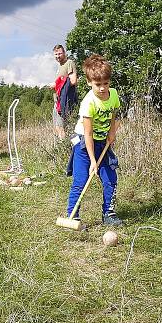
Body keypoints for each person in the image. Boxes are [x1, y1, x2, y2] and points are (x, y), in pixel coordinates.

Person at [66, 54, 122, 226]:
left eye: (106, 83)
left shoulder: (113, 95)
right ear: (89, 82)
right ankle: (72, 215)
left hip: (103, 142)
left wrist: (112, 132)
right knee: (81, 180)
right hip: (84, 144)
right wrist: (92, 161)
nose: (103, 88)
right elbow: (88, 134)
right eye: (98, 84)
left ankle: (108, 214)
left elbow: (114, 114)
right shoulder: (88, 103)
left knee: (110, 178)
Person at [53, 44, 78, 138]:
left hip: (65, 101)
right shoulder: (60, 66)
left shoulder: (69, 63)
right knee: (57, 127)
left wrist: (56, 85)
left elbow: (73, 81)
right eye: (56, 54)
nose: (58, 56)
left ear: (64, 53)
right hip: (57, 101)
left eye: (59, 53)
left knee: (62, 127)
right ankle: (61, 147)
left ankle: (64, 149)